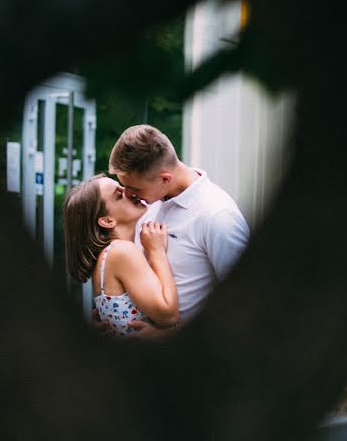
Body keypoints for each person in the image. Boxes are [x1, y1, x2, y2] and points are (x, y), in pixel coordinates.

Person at [109, 124, 249, 331]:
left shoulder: (218, 216)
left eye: (134, 188)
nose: (128, 194)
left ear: (165, 179)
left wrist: (165, 338)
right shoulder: (144, 204)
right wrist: (112, 314)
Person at [63, 174, 178, 337]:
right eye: (119, 194)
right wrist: (157, 251)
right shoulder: (122, 252)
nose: (130, 191)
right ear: (107, 221)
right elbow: (169, 315)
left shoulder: (108, 255)